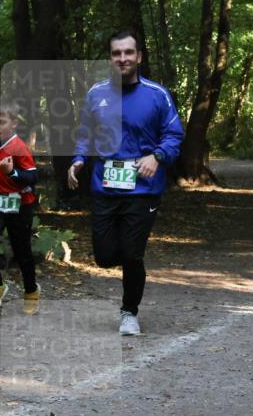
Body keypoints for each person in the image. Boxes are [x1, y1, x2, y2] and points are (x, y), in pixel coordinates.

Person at [67, 30, 184, 335]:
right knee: (105, 256)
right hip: (105, 186)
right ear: (110, 58)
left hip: (143, 188)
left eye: (128, 52)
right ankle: (127, 255)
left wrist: (157, 156)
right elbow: (85, 132)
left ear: (139, 57)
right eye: (116, 53)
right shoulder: (96, 94)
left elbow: (174, 135)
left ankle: (129, 312)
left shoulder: (157, 95)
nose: (123, 58)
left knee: (132, 254)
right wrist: (78, 159)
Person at [0, 99, 41, 314]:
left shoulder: (19, 147)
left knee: (22, 252)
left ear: (13, 123)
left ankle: (31, 291)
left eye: (1, 122)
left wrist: (12, 172)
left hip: (20, 205)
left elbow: (32, 177)